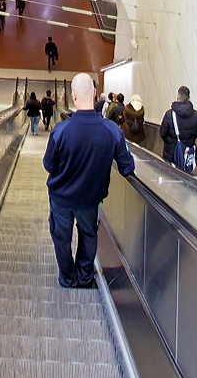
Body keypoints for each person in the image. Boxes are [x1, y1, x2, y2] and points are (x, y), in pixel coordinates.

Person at [43, 72, 135, 288]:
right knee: (88, 235)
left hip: (61, 198)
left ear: (73, 96)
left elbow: (49, 166)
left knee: (61, 239)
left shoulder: (60, 130)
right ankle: (85, 278)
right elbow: (127, 167)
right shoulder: (112, 131)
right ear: (94, 93)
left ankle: (67, 278)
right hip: (91, 199)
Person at [159, 86, 197, 165]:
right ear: (189, 97)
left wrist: (170, 143)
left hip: (171, 154)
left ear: (177, 96)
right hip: (187, 154)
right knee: (184, 172)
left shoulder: (169, 114)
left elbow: (162, 133)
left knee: (169, 171)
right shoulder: (196, 115)